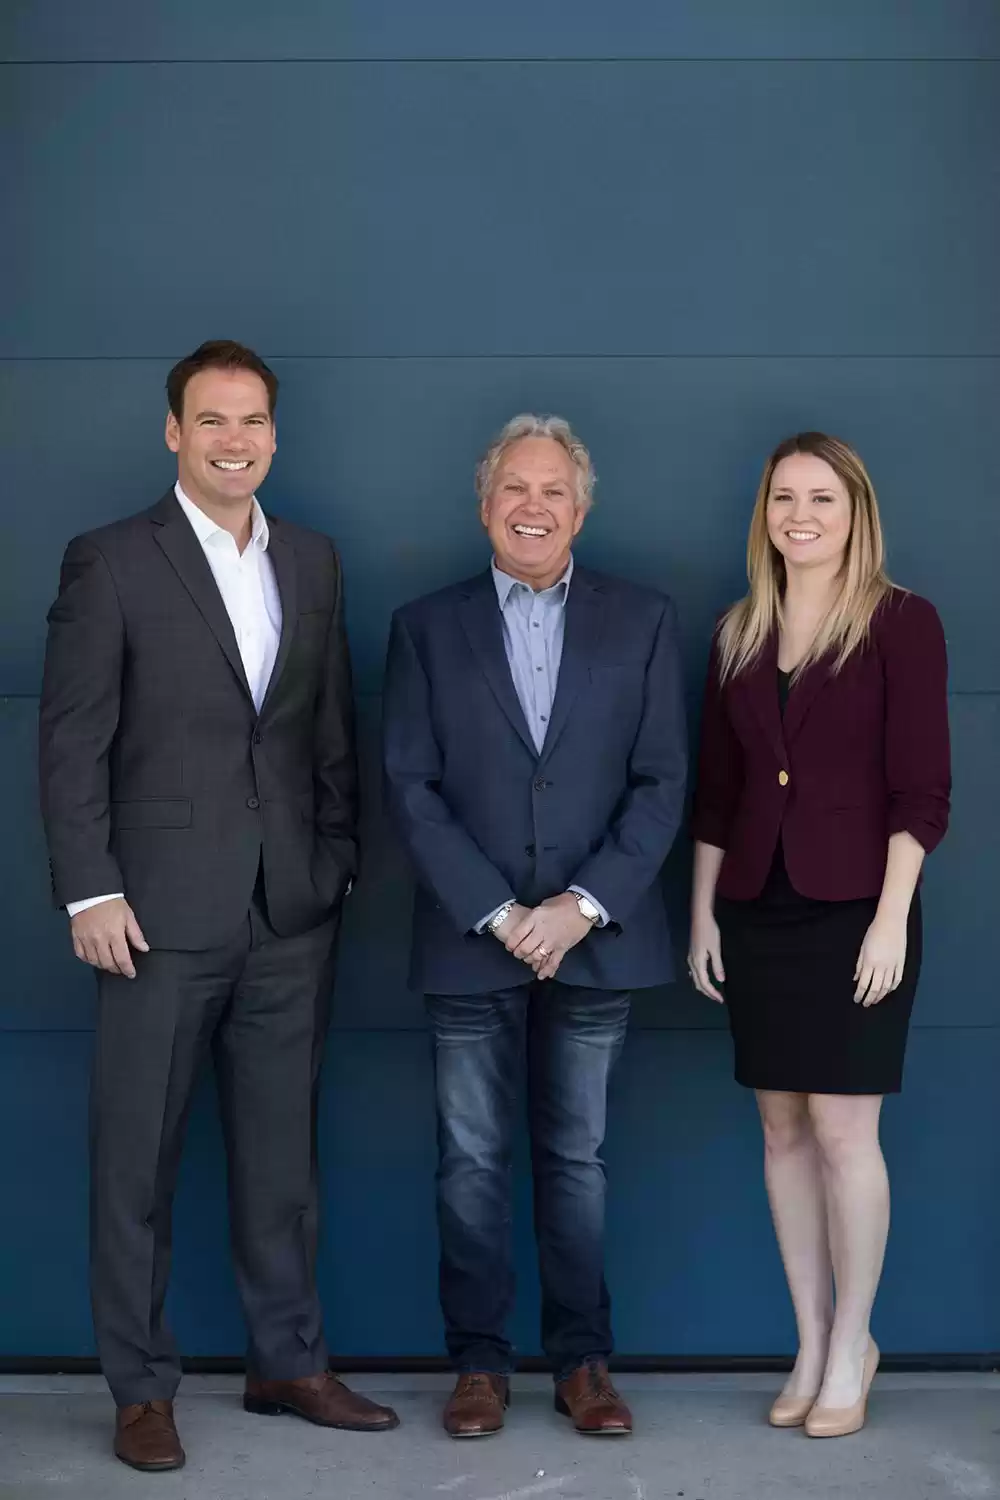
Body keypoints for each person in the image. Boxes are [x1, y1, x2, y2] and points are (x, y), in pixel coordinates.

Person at [38, 340, 398, 1472]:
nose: (232, 440)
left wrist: (335, 863)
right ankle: (141, 1389)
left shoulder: (314, 560)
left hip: (288, 911)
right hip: (150, 916)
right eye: (210, 420)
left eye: (250, 422)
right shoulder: (110, 561)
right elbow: (71, 741)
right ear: (173, 433)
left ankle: (287, 1362)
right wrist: (90, 888)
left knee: (282, 1162)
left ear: (274, 437)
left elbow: (329, 728)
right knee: (135, 1163)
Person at [382, 414, 687, 1438]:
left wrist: (579, 907)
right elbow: (410, 786)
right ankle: (477, 1366)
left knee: (576, 1161)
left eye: (553, 490)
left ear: (580, 510)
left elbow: (660, 782)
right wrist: (503, 912)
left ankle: (582, 1364)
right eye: (515, 487)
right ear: (485, 506)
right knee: (470, 1162)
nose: (533, 506)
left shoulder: (642, 621)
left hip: (598, 940)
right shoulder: (426, 627)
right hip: (470, 939)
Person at [688, 431, 950, 1439]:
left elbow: (923, 791)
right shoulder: (737, 631)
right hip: (757, 908)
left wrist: (889, 922)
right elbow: (719, 794)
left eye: (822, 499)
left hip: (857, 911)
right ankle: (808, 1341)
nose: (800, 516)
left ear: (855, 513)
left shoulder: (902, 623)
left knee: (845, 1133)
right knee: (781, 1130)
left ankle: (853, 1343)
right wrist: (703, 913)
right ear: (764, 514)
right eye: (784, 498)